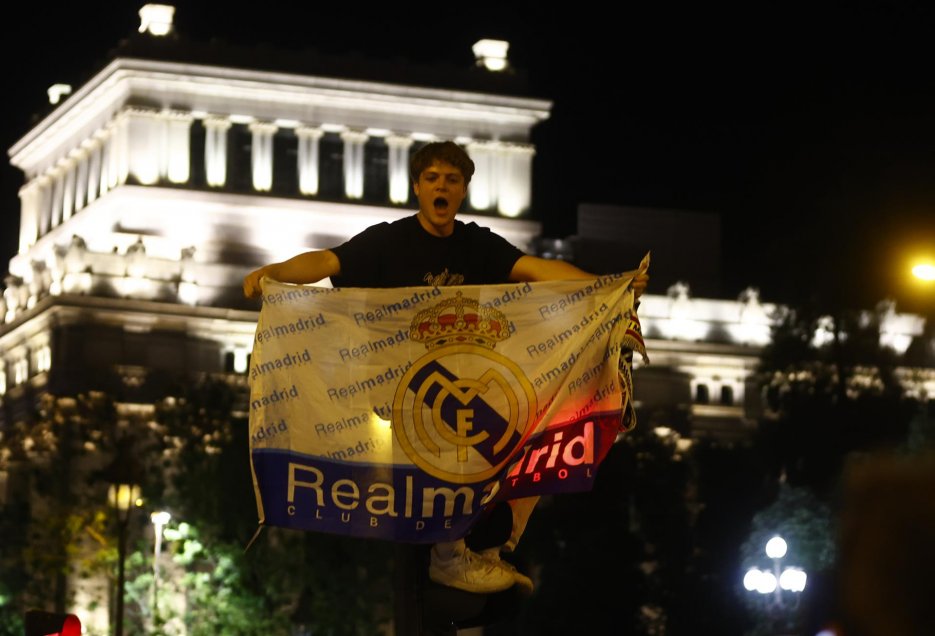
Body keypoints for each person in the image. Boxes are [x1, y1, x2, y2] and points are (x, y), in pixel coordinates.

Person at [243, 140, 648, 595]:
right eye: (432, 178)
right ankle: (448, 553)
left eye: (451, 180)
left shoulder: (478, 244)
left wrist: (611, 287)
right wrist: (274, 272)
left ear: (463, 191)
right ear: (417, 186)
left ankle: (493, 545)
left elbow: (538, 270)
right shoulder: (388, 240)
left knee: (541, 435)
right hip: (396, 396)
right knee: (461, 436)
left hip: (465, 394)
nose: (442, 187)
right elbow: (326, 261)